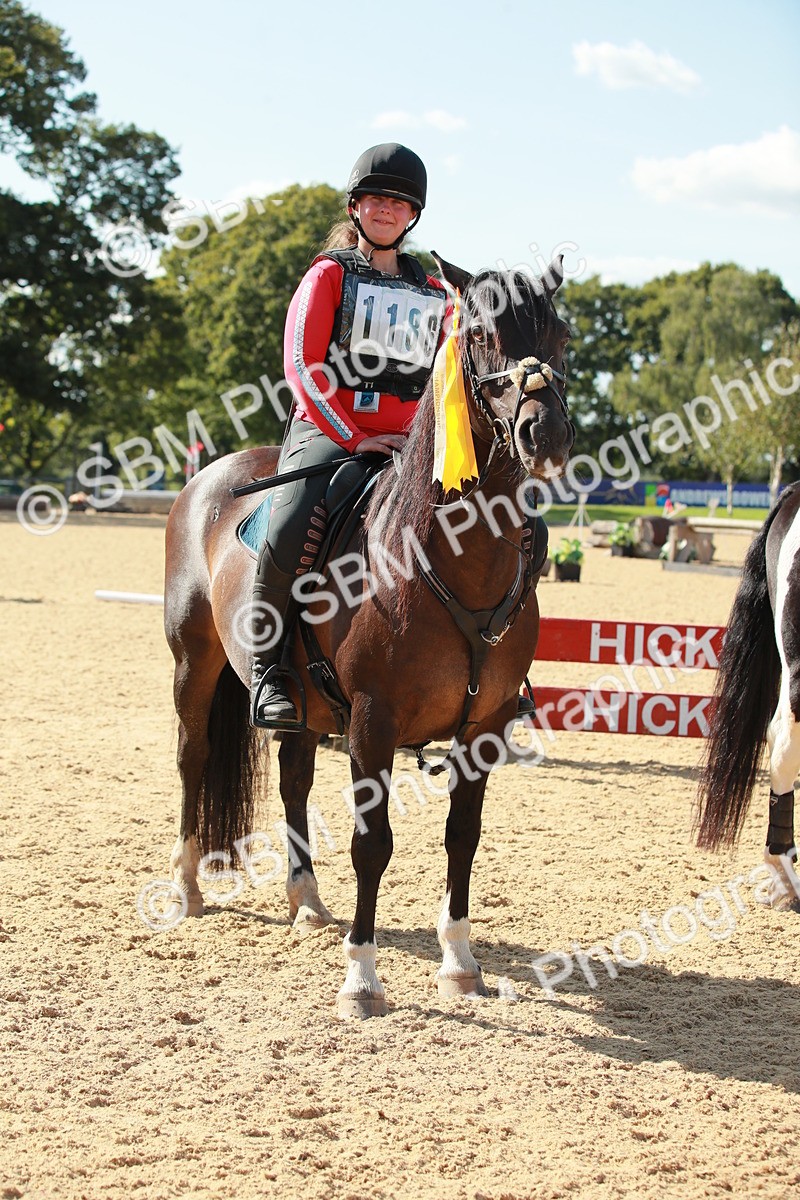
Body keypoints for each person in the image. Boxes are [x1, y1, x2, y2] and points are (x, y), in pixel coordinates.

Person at [250, 143, 448, 729]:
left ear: (412, 215)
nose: (387, 209)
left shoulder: (436, 293)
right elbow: (302, 365)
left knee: (493, 518)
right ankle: (270, 669)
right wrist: (354, 437)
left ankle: (494, 671)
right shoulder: (327, 275)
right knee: (290, 525)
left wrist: (427, 440)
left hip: (414, 445)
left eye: (399, 202)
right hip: (331, 430)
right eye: (377, 199)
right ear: (357, 206)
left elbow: (445, 378)